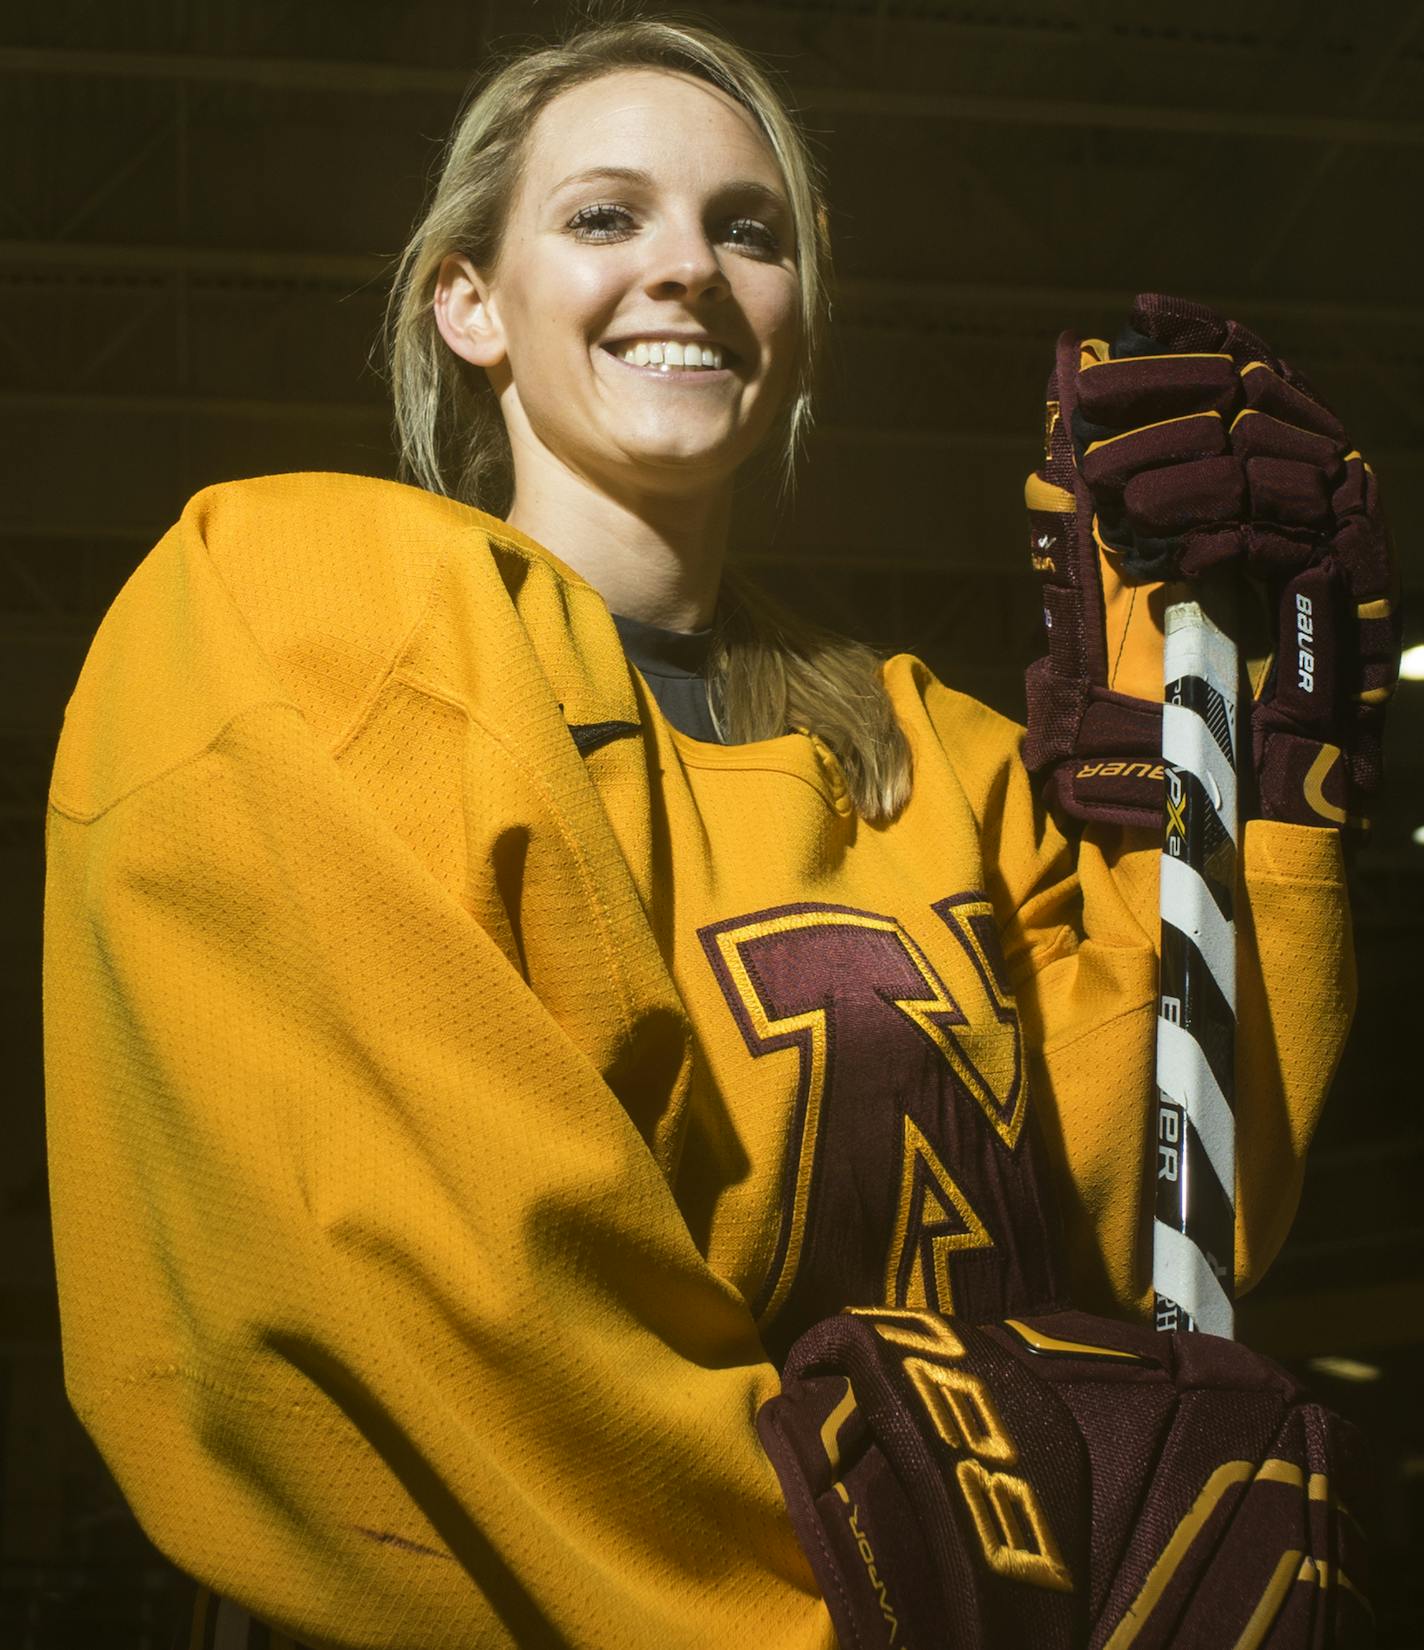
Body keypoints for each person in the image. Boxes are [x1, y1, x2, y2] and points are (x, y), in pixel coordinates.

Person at [43, 16, 1393, 1650]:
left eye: (746, 231)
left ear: (800, 326)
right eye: (605, 217)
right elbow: (433, 1305)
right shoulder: (301, 614)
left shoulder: (938, 764)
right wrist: (929, 1571)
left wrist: (1230, 770)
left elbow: (1142, 1237)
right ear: (468, 302)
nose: (684, 266)